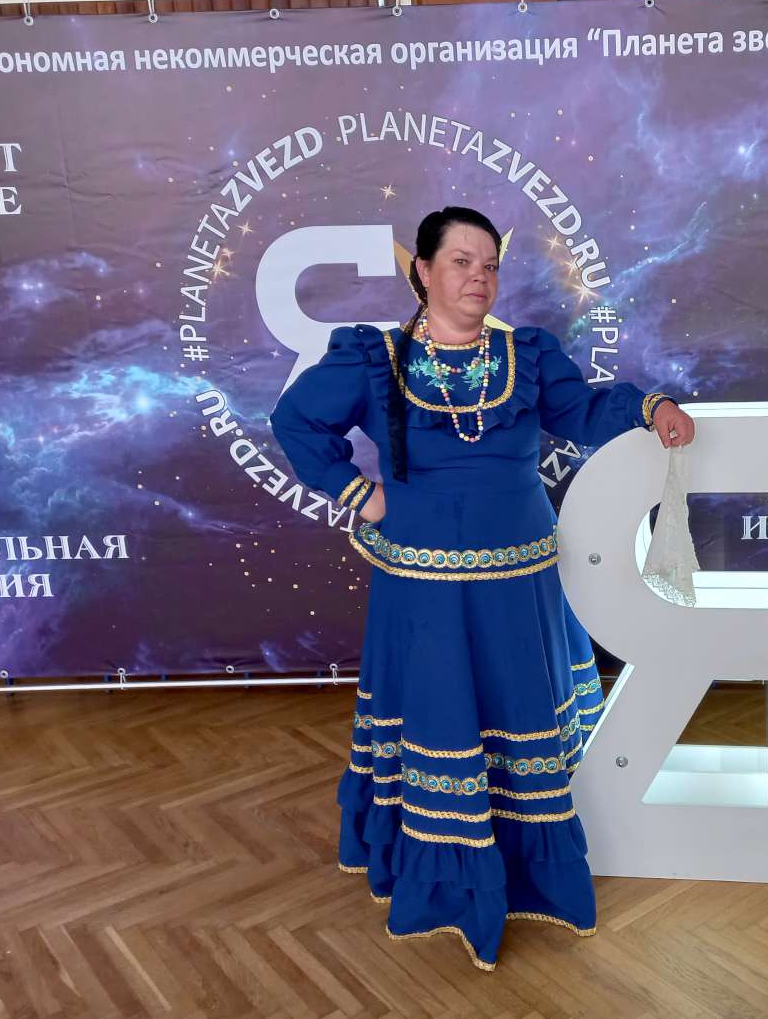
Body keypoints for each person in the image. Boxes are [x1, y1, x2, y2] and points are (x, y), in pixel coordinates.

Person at [269, 206, 695, 971]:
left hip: (518, 582)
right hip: (422, 590)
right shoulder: (374, 358)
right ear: (423, 271)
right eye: (461, 262)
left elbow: (581, 409)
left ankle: (532, 878)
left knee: (515, 716)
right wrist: (358, 493)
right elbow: (296, 421)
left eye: (490, 264)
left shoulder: (526, 354)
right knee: (441, 719)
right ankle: (447, 889)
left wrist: (648, 406)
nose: (478, 277)